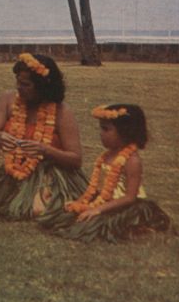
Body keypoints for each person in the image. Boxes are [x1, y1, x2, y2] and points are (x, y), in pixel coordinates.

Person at [0, 53, 87, 219]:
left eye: (25, 84)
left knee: (36, 209)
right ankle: (15, 199)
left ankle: (43, 200)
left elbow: (76, 159)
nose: (19, 87)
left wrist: (46, 150)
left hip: (50, 175)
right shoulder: (8, 99)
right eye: (18, 81)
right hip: (14, 171)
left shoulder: (62, 112)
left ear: (42, 86)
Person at [39, 104, 171, 242]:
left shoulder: (132, 161)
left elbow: (130, 197)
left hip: (124, 206)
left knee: (90, 224)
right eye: (101, 128)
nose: (100, 133)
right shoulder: (106, 155)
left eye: (106, 129)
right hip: (103, 200)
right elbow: (98, 188)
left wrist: (98, 209)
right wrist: (82, 203)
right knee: (66, 215)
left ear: (125, 132)